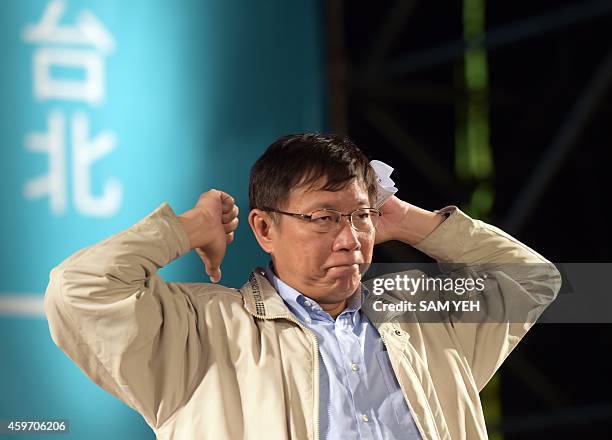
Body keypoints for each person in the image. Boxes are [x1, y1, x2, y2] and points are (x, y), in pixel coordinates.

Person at [44, 133, 561, 440]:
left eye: (360, 217)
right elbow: (79, 288)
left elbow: (534, 280)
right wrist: (189, 229)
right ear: (265, 229)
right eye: (322, 218)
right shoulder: (198, 329)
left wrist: (405, 219)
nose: (350, 239)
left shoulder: (419, 313)